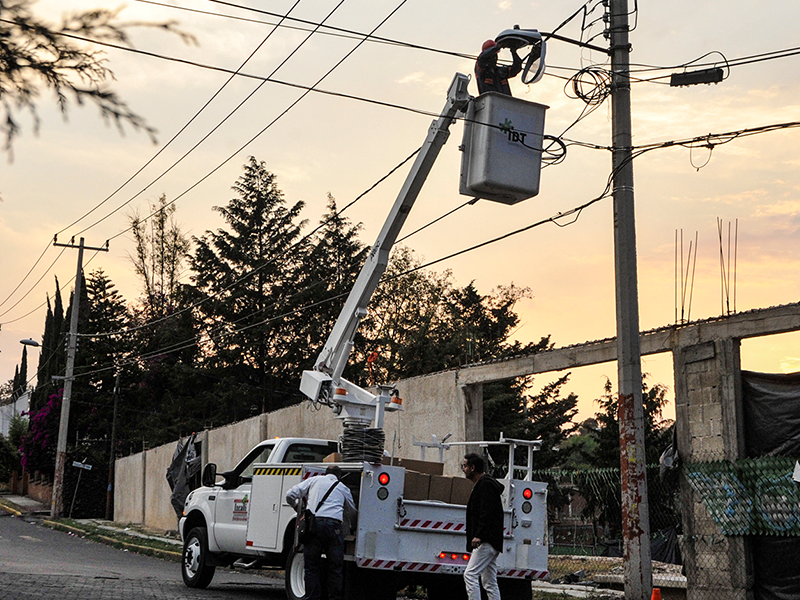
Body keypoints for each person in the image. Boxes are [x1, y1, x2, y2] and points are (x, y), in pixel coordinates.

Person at [286, 466, 357, 600]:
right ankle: (334, 598)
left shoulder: (314, 480)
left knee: (311, 566)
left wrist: (297, 508)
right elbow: (352, 511)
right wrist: (353, 527)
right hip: (334, 528)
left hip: (314, 526)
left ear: (325, 474)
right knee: (335, 568)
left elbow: (290, 494)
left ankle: (312, 597)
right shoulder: (343, 488)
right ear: (339, 476)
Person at [461, 452, 505, 600]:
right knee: (489, 581)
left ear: (473, 468)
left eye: (465, 466)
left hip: (486, 540)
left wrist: (478, 535)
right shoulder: (484, 484)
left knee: (470, 574)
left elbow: (486, 512)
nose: (463, 469)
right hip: (491, 539)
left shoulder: (485, 485)